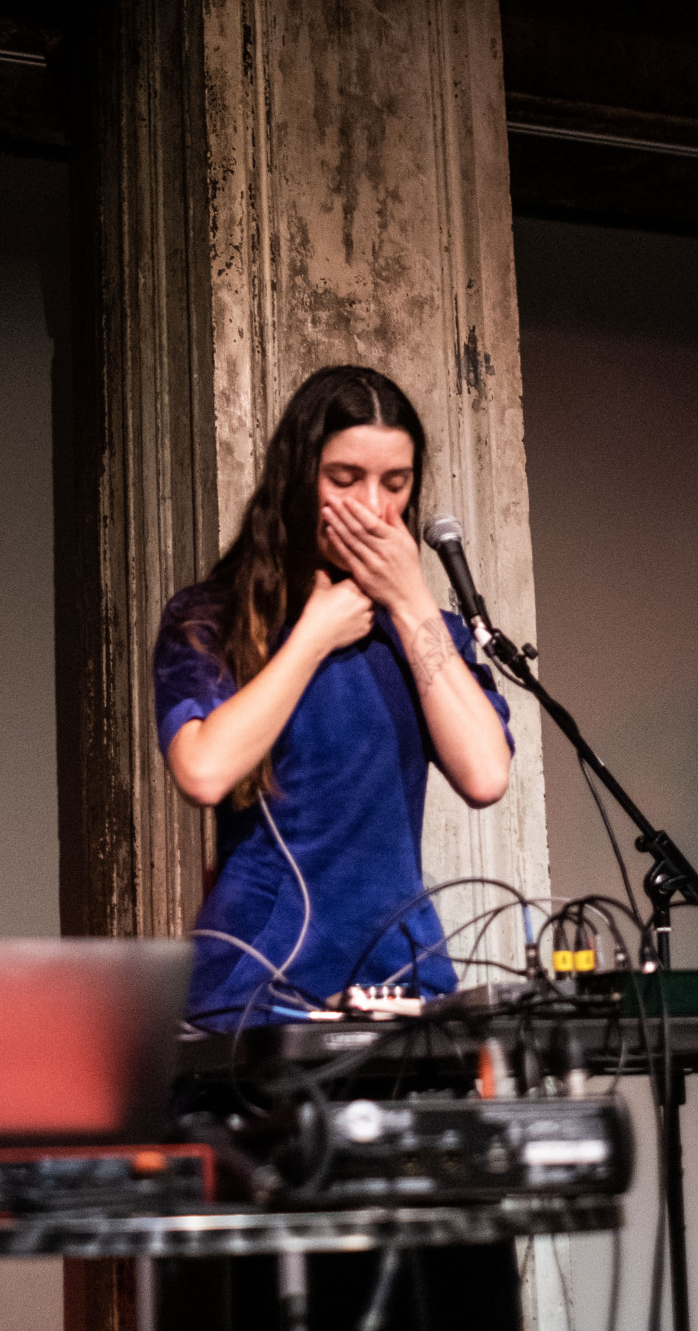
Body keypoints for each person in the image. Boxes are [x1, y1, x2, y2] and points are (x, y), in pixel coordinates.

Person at [153, 363, 514, 1028]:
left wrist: (410, 603)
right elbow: (202, 771)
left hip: (403, 979)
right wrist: (313, 636)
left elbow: (486, 775)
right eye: (344, 480)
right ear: (299, 481)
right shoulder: (210, 619)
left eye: (394, 485)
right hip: (256, 989)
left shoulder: (429, 633)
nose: (372, 508)